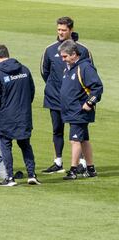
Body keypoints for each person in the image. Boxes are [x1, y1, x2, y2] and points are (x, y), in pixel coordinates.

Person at [41, 16, 93, 174]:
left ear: (71, 30)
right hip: (54, 97)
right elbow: (44, 72)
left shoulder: (82, 50)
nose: (60, 32)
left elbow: (89, 74)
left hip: (76, 100)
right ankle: (58, 161)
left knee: (78, 132)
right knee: (57, 129)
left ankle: (82, 163)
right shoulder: (50, 49)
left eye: (64, 30)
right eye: (58, 29)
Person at [0, 44, 40, 187]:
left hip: (6, 116)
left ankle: (10, 178)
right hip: (24, 115)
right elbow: (31, 92)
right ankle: (32, 174)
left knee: (6, 145)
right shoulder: (24, 70)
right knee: (25, 144)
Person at [58, 39, 103, 180]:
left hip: (79, 111)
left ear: (73, 54)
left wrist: (89, 103)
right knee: (84, 140)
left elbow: (98, 87)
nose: (63, 59)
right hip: (72, 110)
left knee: (75, 140)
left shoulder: (84, 67)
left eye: (65, 56)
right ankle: (90, 168)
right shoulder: (69, 67)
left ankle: (73, 170)